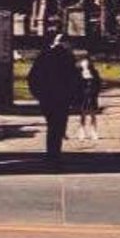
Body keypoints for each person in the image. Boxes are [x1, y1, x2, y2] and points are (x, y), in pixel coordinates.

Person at [27, 33, 80, 166]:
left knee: (52, 124)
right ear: (66, 43)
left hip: (46, 96)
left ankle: (52, 153)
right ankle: (54, 153)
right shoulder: (67, 57)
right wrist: (74, 97)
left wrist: (38, 94)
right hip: (62, 97)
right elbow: (74, 79)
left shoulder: (44, 55)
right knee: (58, 125)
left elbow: (32, 76)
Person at [76, 55, 102, 141]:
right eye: (84, 64)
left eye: (87, 64)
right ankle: (82, 132)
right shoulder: (79, 74)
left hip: (92, 96)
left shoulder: (94, 73)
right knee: (82, 115)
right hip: (83, 97)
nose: (85, 65)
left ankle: (94, 132)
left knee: (93, 115)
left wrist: (95, 92)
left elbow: (99, 84)